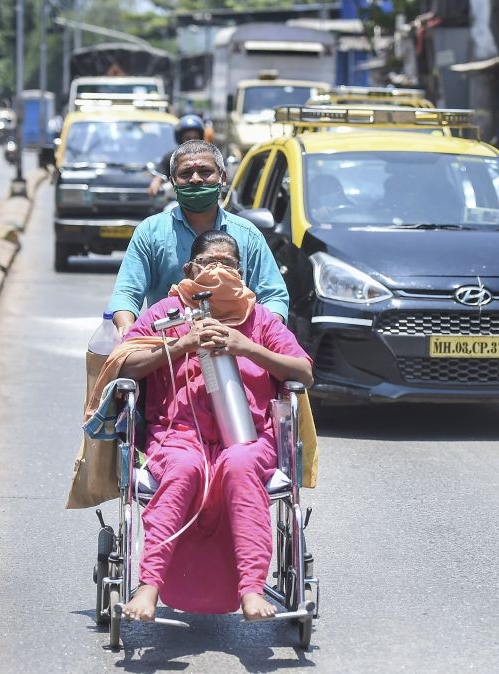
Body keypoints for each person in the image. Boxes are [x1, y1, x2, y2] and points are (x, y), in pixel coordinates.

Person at [89, 230, 314, 622]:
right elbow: (123, 364)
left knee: (241, 466)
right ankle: (148, 586)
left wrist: (246, 348)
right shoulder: (165, 313)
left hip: (248, 439)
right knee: (183, 469)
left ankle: (251, 590)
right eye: (210, 262)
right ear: (191, 268)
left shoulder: (258, 319)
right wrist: (181, 344)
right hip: (177, 437)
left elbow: (303, 372)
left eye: (228, 264)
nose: (219, 270)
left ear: (242, 273)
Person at [108, 139, 289, 338]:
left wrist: (264, 335)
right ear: (173, 181)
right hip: (170, 350)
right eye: (186, 174)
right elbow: (126, 293)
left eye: (205, 172)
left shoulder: (247, 234)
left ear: (223, 178)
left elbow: (274, 296)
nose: (195, 179)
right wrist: (127, 333)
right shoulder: (150, 232)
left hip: (237, 347)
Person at [146, 114, 206, 197]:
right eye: (187, 138)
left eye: (195, 138)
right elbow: (159, 177)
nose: (192, 141)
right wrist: (156, 183)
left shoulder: (208, 157)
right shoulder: (171, 157)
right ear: (180, 139)